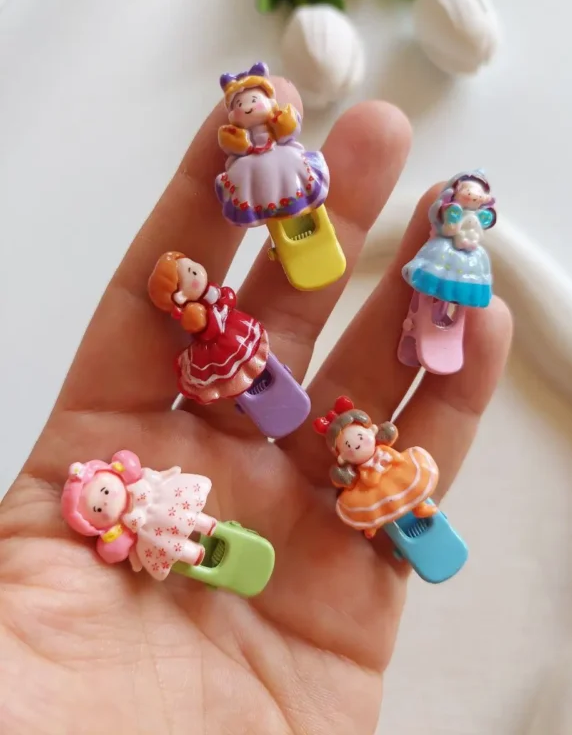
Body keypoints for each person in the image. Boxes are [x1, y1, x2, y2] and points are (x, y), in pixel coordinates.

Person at [0, 78, 512, 734]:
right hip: (219, 385)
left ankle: (415, 503)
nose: (196, 280)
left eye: (194, 275)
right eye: (186, 280)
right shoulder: (196, 304)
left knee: (375, 466)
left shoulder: (264, 174)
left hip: (261, 326)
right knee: (242, 403)